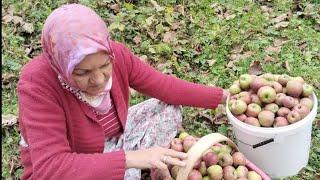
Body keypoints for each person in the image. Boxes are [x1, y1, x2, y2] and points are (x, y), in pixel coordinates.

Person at [17, 4, 229, 180]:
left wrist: (222, 97)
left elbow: (165, 86)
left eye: (105, 65)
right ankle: (128, 167)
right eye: (82, 72)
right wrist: (131, 159)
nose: (99, 80)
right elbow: (51, 168)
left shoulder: (116, 54)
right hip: (70, 165)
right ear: (60, 63)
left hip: (112, 141)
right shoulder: (38, 83)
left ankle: (133, 164)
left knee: (168, 108)